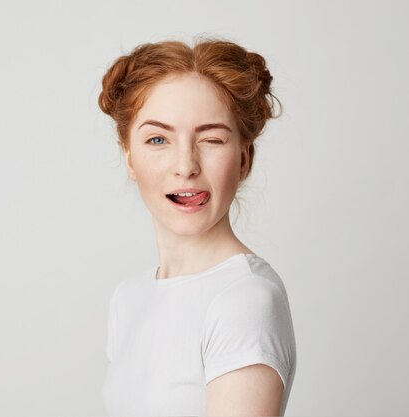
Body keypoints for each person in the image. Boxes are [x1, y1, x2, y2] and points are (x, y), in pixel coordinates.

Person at [98, 37, 297, 417]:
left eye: (211, 139)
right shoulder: (129, 298)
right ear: (130, 158)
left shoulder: (246, 298)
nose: (186, 165)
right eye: (157, 139)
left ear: (243, 159)